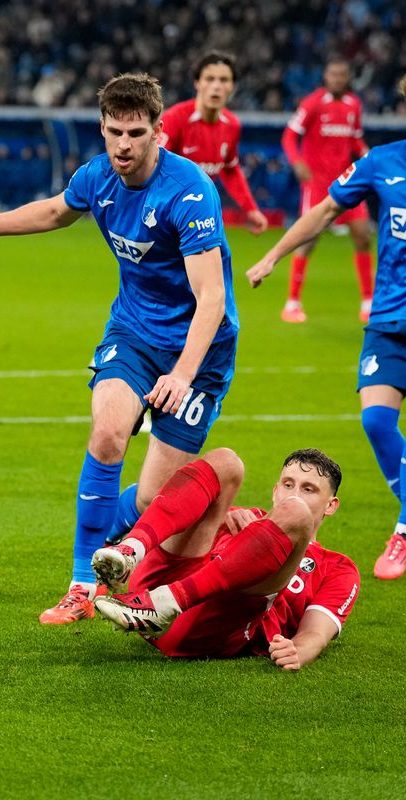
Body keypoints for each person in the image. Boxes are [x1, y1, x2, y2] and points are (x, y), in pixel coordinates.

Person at [0, 73, 238, 625]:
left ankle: (112, 538)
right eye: (114, 131)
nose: (123, 145)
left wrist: (183, 374)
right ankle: (82, 584)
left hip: (201, 353)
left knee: (149, 506)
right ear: (102, 128)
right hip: (133, 337)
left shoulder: (189, 191)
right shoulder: (98, 176)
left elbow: (211, 298)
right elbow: (52, 211)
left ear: (159, 132)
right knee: (110, 431)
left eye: (136, 133)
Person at [247, 77, 406, 581]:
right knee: (377, 422)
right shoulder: (383, 162)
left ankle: (403, 526)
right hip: (389, 321)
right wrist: (275, 253)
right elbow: (324, 210)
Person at [92, 448, 358, 671]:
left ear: (331, 505)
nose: (294, 495)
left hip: (207, 628)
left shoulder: (337, 568)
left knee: (297, 515)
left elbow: (316, 634)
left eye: (308, 489)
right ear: (276, 490)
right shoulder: (243, 516)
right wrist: (220, 519)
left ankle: (166, 603)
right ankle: (131, 549)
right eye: (288, 485)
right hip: (149, 591)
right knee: (226, 460)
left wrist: (298, 650)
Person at [279, 58, 371, 324]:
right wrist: (297, 163)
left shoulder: (354, 104)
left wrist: (367, 155)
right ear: (326, 76)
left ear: (348, 76)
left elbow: (353, 137)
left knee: (363, 237)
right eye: (333, 74)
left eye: (342, 74)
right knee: (309, 240)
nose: (338, 78)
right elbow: (288, 135)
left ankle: (368, 301)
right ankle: (292, 302)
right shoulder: (313, 103)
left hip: (348, 180)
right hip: (318, 184)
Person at [158, 52, 269, 236]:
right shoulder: (174, 119)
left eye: (224, 80)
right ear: (197, 83)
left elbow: (230, 169)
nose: (216, 86)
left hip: (204, 213)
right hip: (168, 213)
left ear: (232, 86)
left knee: (223, 261)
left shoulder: (232, 125)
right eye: (209, 79)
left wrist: (251, 209)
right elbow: (154, 166)